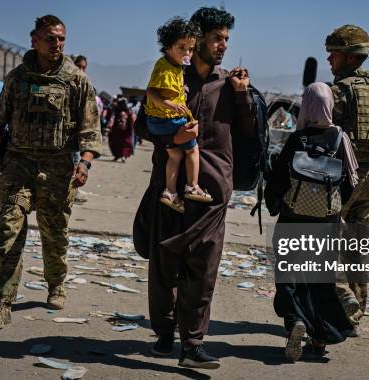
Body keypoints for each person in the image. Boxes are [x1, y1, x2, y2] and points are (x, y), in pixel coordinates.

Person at [133, 6, 257, 369]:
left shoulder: (231, 84)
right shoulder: (171, 78)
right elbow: (143, 126)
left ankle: (192, 343)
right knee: (163, 267)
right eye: (217, 38)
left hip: (213, 193)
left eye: (226, 40)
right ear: (197, 37)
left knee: (203, 272)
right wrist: (173, 134)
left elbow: (248, 135)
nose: (222, 46)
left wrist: (243, 96)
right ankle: (164, 332)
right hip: (169, 190)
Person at [0, 15, 102, 329]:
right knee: (8, 230)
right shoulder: (18, 78)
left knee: (54, 232)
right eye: (50, 38)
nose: (56, 44)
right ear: (34, 39)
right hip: (18, 162)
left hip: (58, 166)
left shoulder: (77, 80)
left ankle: (56, 282)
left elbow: (90, 130)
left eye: (61, 38)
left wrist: (84, 163)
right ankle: (1, 305)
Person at [265, 82, 357, 361]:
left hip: (293, 219)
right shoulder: (341, 139)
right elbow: (352, 182)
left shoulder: (297, 140)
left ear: (305, 105)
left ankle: (295, 322)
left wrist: (274, 204)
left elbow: (278, 180)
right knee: (321, 281)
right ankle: (319, 340)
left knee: (290, 277)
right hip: (326, 223)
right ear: (330, 105)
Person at [325, 25, 369, 328]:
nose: (329, 60)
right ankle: (355, 317)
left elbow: (324, 137)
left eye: (334, 55)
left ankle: (340, 303)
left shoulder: (339, 91)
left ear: (349, 57)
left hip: (343, 177)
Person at [145, 17, 212, 213]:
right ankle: (192, 186)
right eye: (181, 47)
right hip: (167, 120)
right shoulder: (165, 67)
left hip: (160, 121)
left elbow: (168, 86)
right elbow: (150, 92)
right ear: (168, 46)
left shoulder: (174, 66)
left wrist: (179, 88)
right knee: (192, 150)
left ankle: (171, 193)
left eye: (190, 49)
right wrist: (171, 104)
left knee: (175, 156)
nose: (187, 53)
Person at [107, 98, 134, 162]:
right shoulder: (128, 112)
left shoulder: (117, 112)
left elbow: (112, 120)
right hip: (126, 131)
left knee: (117, 143)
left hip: (117, 130)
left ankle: (118, 156)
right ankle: (123, 156)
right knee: (125, 143)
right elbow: (132, 120)